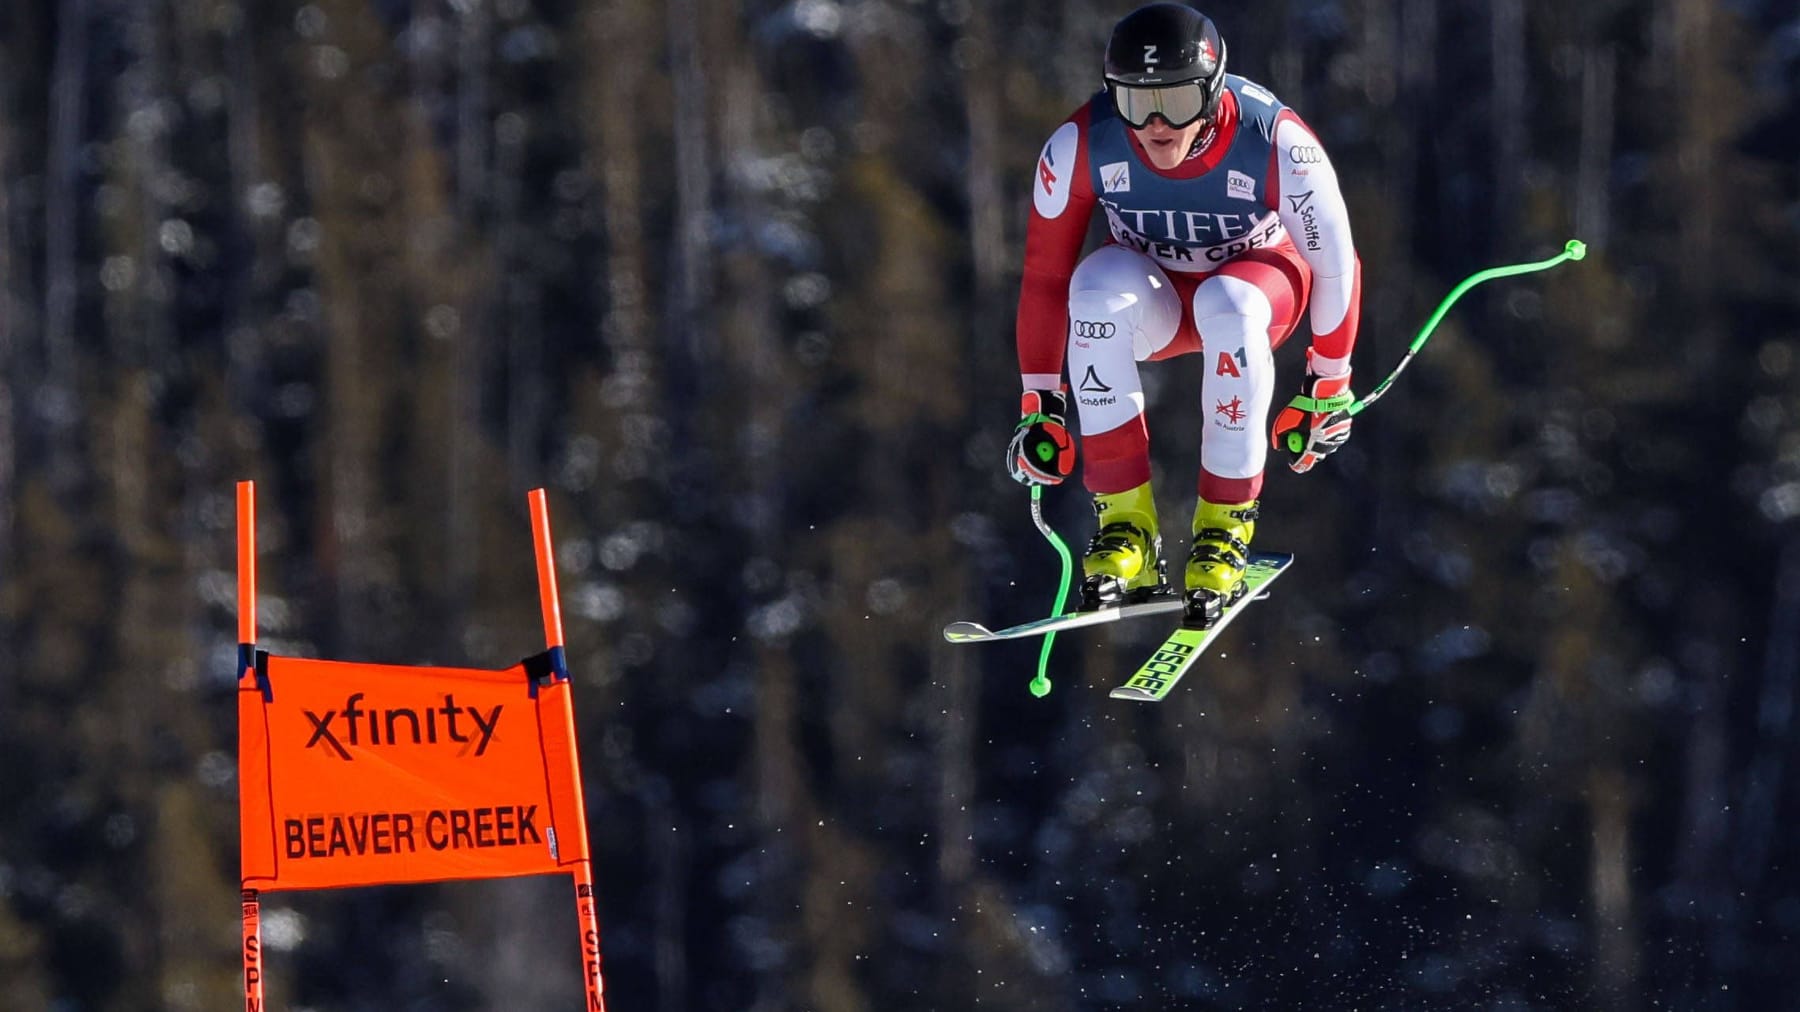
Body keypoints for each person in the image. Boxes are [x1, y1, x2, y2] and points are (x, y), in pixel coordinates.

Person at [1006, 2, 1361, 625]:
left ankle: (1224, 527)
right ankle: (1126, 531)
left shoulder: (1275, 142)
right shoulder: (1081, 144)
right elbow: (1044, 277)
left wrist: (1327, 382)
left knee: (1229, 304)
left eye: (1177, 100)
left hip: (1257, 286)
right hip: (1158, 298)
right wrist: (1043, 403)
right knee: (1091, 290)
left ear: (1215, 88)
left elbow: (1335, 264)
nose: (1157, 125)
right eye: (1136, 102)